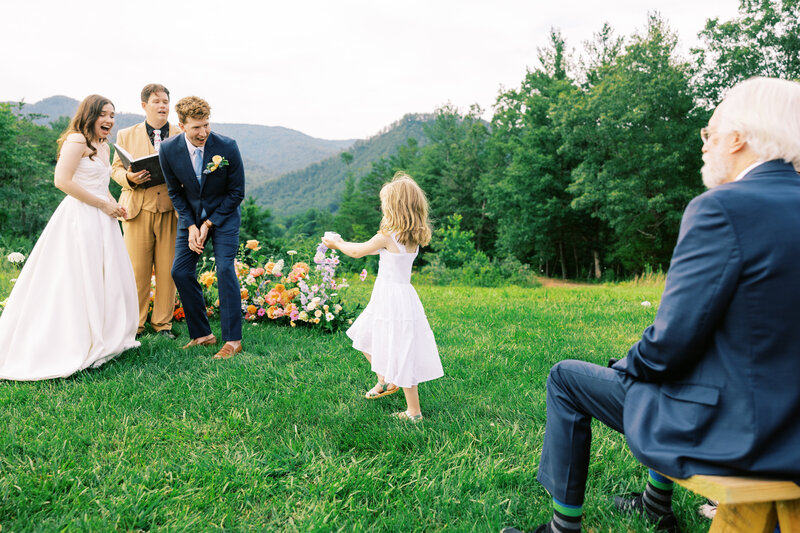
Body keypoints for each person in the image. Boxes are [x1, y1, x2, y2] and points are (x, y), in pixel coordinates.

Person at [503, 76, 800, 533]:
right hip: (791, 434)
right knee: (666, 376)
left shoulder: (722, 208)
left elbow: (669, 345)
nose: (704, 145)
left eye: (710, 133)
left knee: (569, 377)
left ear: (739, 138)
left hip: (741, 438)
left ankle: (563, 529)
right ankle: (653, 502)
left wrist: (626, 366)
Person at [0, 95, 140, 380]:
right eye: (104, 114)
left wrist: (113, 204)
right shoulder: (76, 141)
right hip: (80, 219)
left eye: (113, 115)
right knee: (76, 276)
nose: (110, 120)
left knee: (106, 276)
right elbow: (62, 181)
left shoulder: (102, 146)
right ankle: (70, 339)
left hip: (104, 219)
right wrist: (102, 205)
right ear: (89, 115)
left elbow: (100, 184)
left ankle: (103, 332)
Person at [322, 172, 443, 421]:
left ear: (395, 207)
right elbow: (368, 250)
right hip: (398, 297)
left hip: (392, 300)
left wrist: (336, 243)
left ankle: (414, 412)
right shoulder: (409, 236)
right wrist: (345, 242)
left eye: (385, 204)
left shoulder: (387, 237)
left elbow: (356, 252)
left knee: (401, 350)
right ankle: (385, 378)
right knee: (362, 334)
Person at [159, 96, 245, 359]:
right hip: (191, 219)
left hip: (225, 217)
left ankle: (232, 340)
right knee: (181, 271)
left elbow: (237, 192)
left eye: (206, 125)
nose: (203, 132)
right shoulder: (168, 149)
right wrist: (191, 225)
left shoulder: (227, 146)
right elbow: (175, 192)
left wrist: (208, 223)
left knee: (225, 269)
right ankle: (202, 334)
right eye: (196, 127)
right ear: (182, 124)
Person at [111, 83, 181, 340]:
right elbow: (115, 170)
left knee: (168, 271)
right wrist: (130, 178)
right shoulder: (125, 134)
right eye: (156, 101)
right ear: (144, 105)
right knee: (137, 271)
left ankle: (162, 325)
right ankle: (136, 325)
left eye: (165, 101)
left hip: (170, 210)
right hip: (136, 210)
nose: (162, 106)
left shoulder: (179, 133)